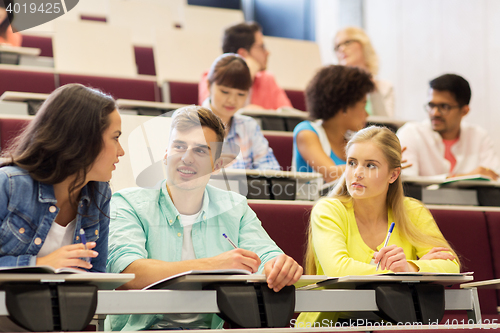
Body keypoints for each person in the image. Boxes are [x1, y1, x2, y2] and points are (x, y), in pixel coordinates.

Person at [106, 106, 303, 330]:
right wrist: (213, 265)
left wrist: (278, 265)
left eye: (200, 151)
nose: (186, 158)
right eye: (179, 146)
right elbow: (128, 274)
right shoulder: (128, 203)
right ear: (165, 154)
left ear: (217, 165)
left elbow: (266, 255)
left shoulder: (235, 208)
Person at [296, 126, 459, 327]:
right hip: (332, 323)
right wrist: (400, 274)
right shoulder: (328, 209)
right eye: (352, 163)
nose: (357, 173)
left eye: (370, 165)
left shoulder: (413, 211)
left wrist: (410, 266)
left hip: (393, 322)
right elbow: (338, 269)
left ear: (393, 175)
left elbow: (451, 264)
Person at [0, 83, 124, 272]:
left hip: (67, 301)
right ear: (84, 140)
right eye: (115, 138)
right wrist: (40, 264)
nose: (121, 151)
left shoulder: (100, 192)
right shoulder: (8, 185)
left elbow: (96, 275)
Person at [397, 74, 500, 180]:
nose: (435, 113)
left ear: (464, 111)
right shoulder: (411, 133)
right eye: (431, 105)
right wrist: (468, 177)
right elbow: (407, 183)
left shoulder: (478, 136)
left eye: (444, 107)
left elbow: (494, 177)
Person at [292, 65, 374, 182]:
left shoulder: (355, 140)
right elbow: (331, 174)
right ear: (345, 107)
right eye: (363, 105)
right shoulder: (307, 132)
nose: (366, 114)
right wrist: (377, 166)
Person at [202, 53, 280, 170]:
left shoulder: (249, 127)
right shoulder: (189, 123)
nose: (232, 100)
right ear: (209, 86)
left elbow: (271, 171)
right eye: (225, 92)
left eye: (241, 94)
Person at [198, 22, 292, 110]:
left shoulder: (267, 79)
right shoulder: (211, 75)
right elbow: (211, 112)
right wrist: (247, 73)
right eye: (261, 47)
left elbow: (290, 115)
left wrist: (264, 115)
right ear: (242, 54)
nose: (267, 53)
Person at [334, 26, 393, 117]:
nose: (342, 49)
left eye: (347, 42)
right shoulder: (333, 87)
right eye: (337, 47)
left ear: (363, 44)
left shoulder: (384, 87)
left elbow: (387, 125)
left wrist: (375, 93)